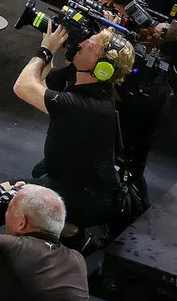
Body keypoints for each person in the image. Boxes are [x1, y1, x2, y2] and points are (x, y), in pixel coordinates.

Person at [79, 0, 177, 205]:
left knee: (135, 131)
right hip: (126, 47)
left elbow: (149, 30)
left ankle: (131, 189)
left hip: (148, 58)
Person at [13, 25, 133, 235]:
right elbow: (41, 82)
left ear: (102, 69)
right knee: (39, 172)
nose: (82, 43)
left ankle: (74, 232)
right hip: (75, 177)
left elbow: (23, 87)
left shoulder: (88, 105)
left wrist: (45, 51)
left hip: (89, 197)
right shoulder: (89, 82)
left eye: (90, 45)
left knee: (5, 200)